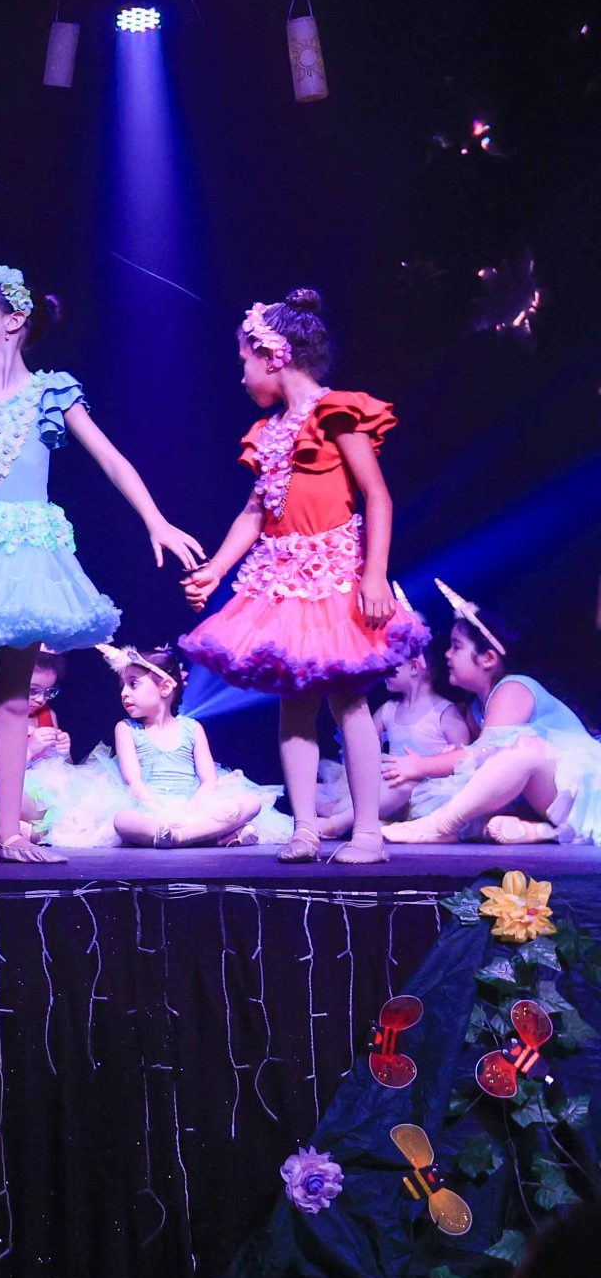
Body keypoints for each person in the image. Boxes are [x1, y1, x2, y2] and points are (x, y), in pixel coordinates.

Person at [0, 267, 204, 864]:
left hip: (32, 555)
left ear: (13, 321)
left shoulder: (52, 392)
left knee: (15, 695)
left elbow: (111, 460)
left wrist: (155, 520)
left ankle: (11, 832)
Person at [180, 291, 426, 863]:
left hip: (336, 576)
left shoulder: (335, 412)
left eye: (244, 361)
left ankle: (368, 834)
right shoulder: (267, 432)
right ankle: (306, 829)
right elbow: (255, 512)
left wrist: (375, 576)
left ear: (274, 357)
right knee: (293, 701)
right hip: (282, 582)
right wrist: (216, 569)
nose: (241, 375)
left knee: (347, 700)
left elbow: (378, 496)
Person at [383, 585, 601, 845]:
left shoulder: (514, 688)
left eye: (456, 647)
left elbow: (483, 754)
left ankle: (442, 826)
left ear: (488, 658)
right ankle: (543, 830)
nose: (447, 654)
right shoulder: (476, 710)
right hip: (548, 798)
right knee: (476, 794)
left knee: (523, 750)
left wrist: (421, 765)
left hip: (581, 790)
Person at [92, 645, 280, 847]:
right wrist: (160, 812)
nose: (124, 693)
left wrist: (189, 812)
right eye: (122, 686)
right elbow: (133, 781)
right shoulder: (126, 729)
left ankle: (181, 837)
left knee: (252, 802)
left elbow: (209, 780)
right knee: (123, 820)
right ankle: (212, 837)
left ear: (165, 687)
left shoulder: (192, 728)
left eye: (133, 684)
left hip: (194, 807)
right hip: (149, 808)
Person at [318, 637, 473, 835]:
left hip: (422, 791)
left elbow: (464, 762)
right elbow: (361, 747)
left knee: (403, 785)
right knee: (315, 791)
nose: (384, 669)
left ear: (414, 668)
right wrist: (377, 759)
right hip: (386, 786)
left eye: (390, 664)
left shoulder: (445, 714)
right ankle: (362, 818)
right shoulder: (388, 710)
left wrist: (438, 760)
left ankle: (337, 823)